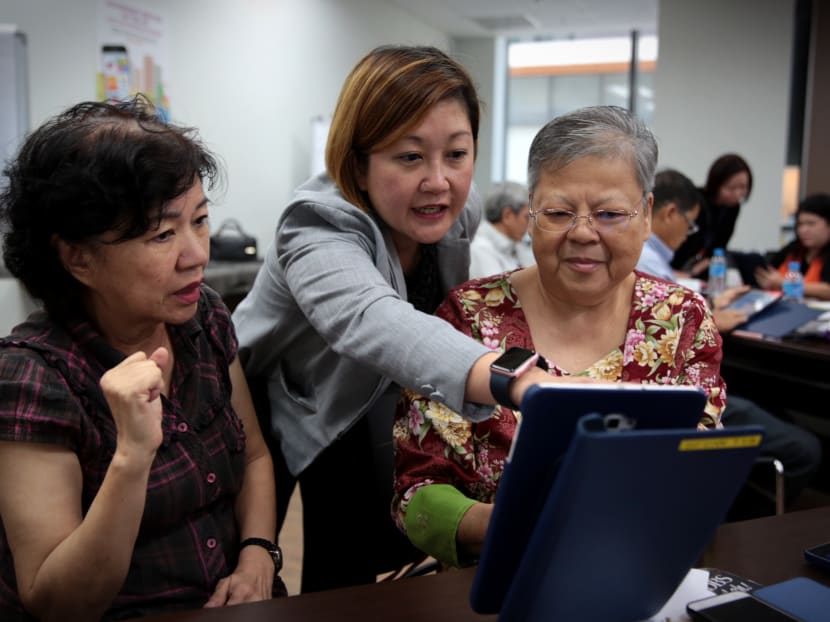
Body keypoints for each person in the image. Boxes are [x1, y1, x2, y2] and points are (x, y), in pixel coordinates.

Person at [231, 45, 552, 593]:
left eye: (457, 153)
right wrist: (515, 376)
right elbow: (375, 318)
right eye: (409, 157)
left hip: (365, 390)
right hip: (273, 395)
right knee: (252, 563)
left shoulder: (460, 204)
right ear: (358, 162)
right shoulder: (317, 224)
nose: (439, 182)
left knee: (355, 551)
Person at [392, 106, 727, 568]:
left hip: (637, 570)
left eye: (609, 213)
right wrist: (505, 525)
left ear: (647, 215)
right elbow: (416, 494)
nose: (583, 233)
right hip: (492, 577)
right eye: (558, 212)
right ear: (530, 212)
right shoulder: (468, 318)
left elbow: (700, 466)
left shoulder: (680, 320)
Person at [0, 96, 282, 621]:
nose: (197, 252)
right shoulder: (33, 376)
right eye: (162, 235)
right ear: (78, 257)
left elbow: (255, 457)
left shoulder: (204, 320)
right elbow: (53, 600)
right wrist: (131, 456)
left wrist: (257, 555)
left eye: (200, 221)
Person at [637, 169, 822, 515]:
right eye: (690, 225)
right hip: (676, 396)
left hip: (674, 391)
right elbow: (662, 336)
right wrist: (709, 318)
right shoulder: (648, 260)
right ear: (669, 213)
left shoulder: (648, 258)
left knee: (771, 408)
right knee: (802, 445)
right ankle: (732, 523)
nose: (805, 231)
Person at [671, 153, 753, 277]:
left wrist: (694, 272)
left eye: (743, 187)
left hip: (698, 270)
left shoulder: (733, 209)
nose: (737, 194)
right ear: (716, 184)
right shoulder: (695, 202)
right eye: (731, 188)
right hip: (674, 265)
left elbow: (718, 249)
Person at [755, 193, 830, 301]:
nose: (803, 230)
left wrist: (785, 284)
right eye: (800, 224)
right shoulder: (794, 248)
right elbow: (771, 271)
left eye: (811, 224)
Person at [469, 181, 534, 278]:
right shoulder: (479, 249)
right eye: (527, 217)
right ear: (507, 216)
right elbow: (498, 292)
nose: (530, 226)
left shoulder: (516, 245)